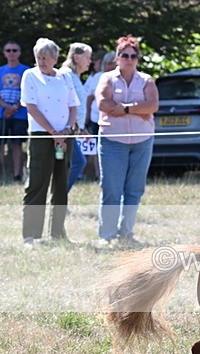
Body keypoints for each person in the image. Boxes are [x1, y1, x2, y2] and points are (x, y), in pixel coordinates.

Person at [95, 35, 158, 247]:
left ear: (137, 59)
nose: (129, 59)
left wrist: (125, 108)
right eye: (124, 55)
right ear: (117, 57)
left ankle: (126, 232)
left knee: (134, 189)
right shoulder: (106, 79)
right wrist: (138, 109)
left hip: (142, 141)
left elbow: (152, 106)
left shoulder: (147, 80)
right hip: (113, 141)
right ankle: (107, 235)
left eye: (133, 56)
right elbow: (104, 103)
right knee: (112, 188)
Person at [20, 38, 79, 248]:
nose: (42, 61)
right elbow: (31, 107)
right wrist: (53, 133)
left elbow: (73, 106)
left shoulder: (64, 77)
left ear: (55, 58)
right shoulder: (30, 75)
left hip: (65, 137)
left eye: (45, 57)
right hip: (41, 136)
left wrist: (67, 130)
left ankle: (58, 233)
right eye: (38, 57)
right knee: (37, 183)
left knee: (61, 184)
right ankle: (31, 235)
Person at [0, 40, 29, 182]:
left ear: (19, 52)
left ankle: (17, 174)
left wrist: (15, 107)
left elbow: (28, 92)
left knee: (17, 144)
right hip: (1, 113)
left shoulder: (26, 71)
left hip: (20, 114)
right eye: (8, 50)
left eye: (14, 50)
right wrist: (6, 106)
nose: (11, 53)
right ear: (4, 53)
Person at [59, 42, 92, 192]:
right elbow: (63, 102)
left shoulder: (74, 76)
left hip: (72, 129)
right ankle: (59, 198)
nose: (90, 61)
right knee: (78, 162)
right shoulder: (66, 74)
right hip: (63, 129)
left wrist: (81, 129)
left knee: (73, 163)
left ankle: (58, 198)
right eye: (87, 57)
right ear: (77, 58)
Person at [84, 51, 116, 180]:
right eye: (110, 63)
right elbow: (90, 97)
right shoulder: (99, 77)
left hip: (114, 118)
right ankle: (99, 174)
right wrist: (86, 116)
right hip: (96, 118)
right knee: (98, 147)